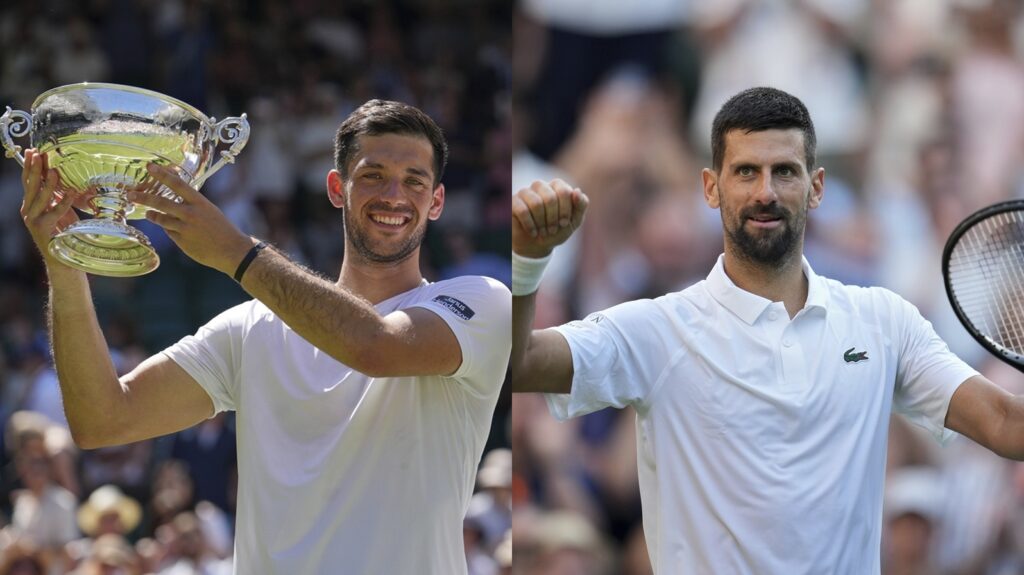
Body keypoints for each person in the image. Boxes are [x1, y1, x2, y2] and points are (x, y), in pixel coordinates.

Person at [510, 86, 1024, 573]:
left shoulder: (884, 320)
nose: (765, 192)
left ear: (816, 187)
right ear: (711, 187)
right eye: (745, 172)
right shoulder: (658, 327)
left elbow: (1004, 424)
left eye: (784, 172)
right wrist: (529, 264)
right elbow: (524, 364)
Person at [19, 99, 512, 574]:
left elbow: (376, 346)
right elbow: (102, 421)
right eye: (374, 176)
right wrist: (64, 270)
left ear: (437, 201)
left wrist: (237, 251)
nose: (393, 197)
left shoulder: (483, 301)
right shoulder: (250, 329)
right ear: (337, 188)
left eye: (414, 182)